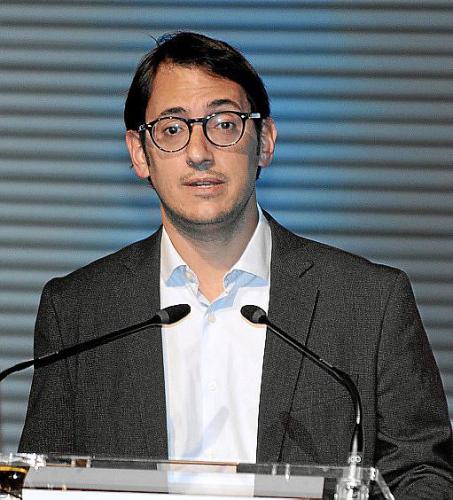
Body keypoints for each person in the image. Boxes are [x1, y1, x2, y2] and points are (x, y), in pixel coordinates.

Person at [19, 32, 452, 498]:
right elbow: (44, 483)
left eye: (224, 124)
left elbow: (423, 474)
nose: (199, 152)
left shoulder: (369, 302)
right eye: (172, 129)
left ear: (264, 142)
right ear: (139, 154)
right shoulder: (78, 311)